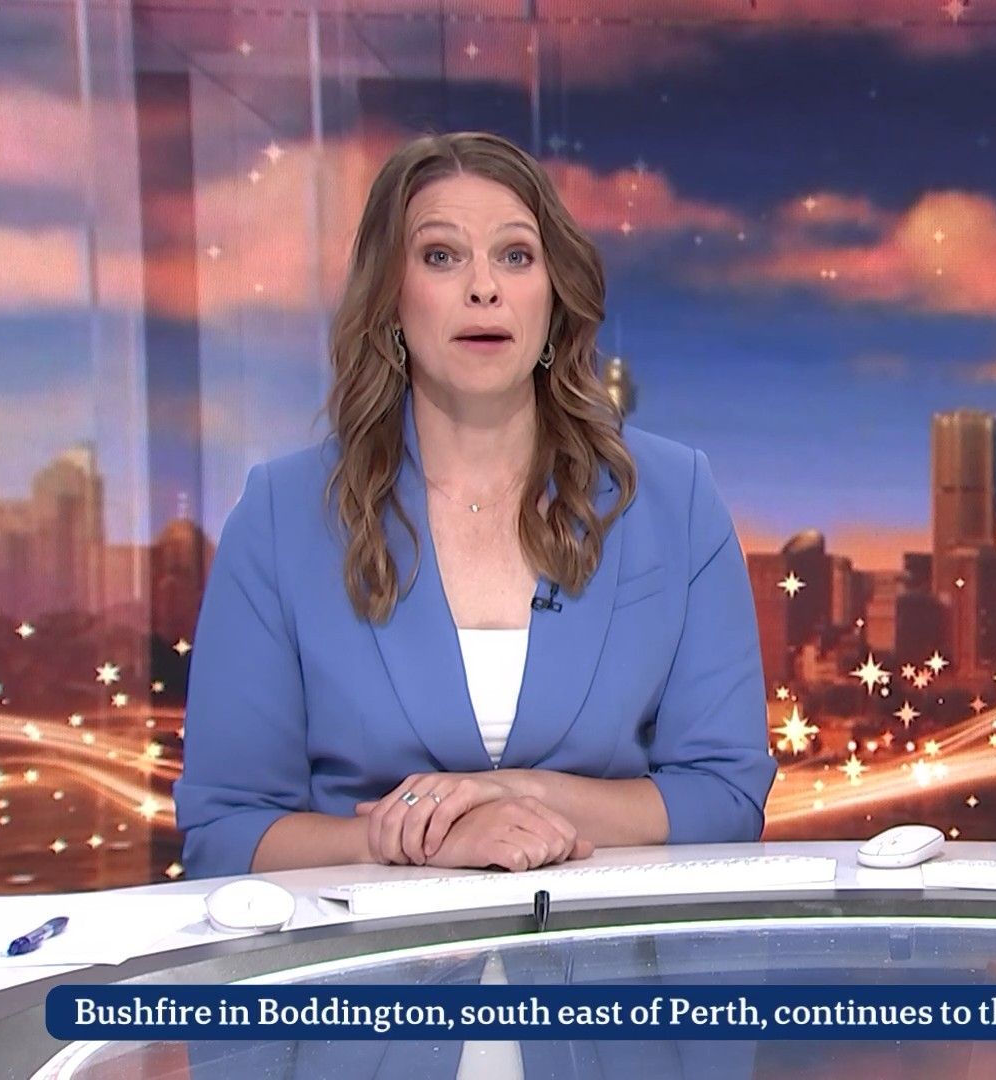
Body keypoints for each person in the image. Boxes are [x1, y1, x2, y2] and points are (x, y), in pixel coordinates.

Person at [174, 131, 774, 878]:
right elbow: (225, 833)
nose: (484, 287)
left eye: (516, 256)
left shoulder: (674, 497)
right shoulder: (282, 515)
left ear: (553, 296)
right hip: (370, 953)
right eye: (441, 256)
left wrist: (510, 794)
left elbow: (726, 797)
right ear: (391, 298)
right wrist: (413, 837)